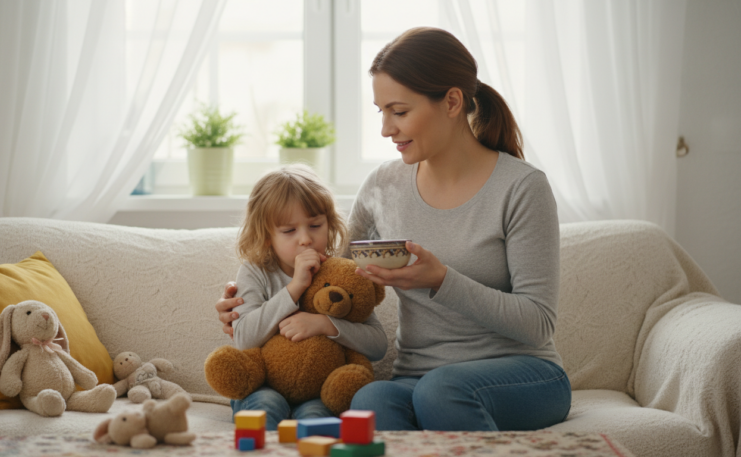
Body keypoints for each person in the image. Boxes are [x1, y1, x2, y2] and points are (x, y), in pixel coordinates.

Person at [217, 26, 571, 432]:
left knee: (441, 391)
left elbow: (538, 321)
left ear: (452, 101)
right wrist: (248, 307)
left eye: (399, 112)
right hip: (415, 378)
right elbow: (331, 281)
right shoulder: (382, 186)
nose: (386, 128)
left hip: (525, 375)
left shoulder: (522, 188)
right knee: (369, 400)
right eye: (381, 111)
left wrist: (440, 279)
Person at [226, 164, 388, 430]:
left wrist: (326, 325)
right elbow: (243, 339)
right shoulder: (255, 272)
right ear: (266, 236)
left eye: (315, 225)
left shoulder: (339, 273)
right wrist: (295, 288)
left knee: (317, 418)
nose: (305, 239)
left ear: (329, 224)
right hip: (262, 385)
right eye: (289, 231)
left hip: (317, 390)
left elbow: (378, 345)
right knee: (265, 407)